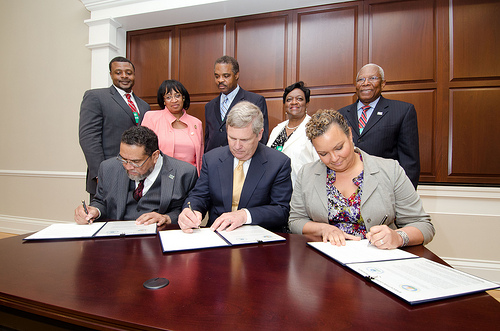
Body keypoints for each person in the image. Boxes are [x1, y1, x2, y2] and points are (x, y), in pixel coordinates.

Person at [288, 109, 434, 249]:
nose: (334, 158)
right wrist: (323, 229)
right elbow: (295, 221)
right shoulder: (307, 174)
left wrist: (398, 237)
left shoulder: (390, 170)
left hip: (378, 261)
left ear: (350, 135)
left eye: (339, 148)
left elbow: (423, 225)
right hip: (325, 261)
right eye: (323, 153)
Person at [179, 101, 292, 233]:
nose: (237, 146)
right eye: (232, 138)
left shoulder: (278, 163)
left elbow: (281, 211)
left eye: (244, 140)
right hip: (218, 236)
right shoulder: (212, 159)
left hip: (257, 239)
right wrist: (191, 210)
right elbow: (199, 196)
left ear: (259, 134)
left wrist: (245, 215)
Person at [74, 126, 198, 226]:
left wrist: (165, 218)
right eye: (123, 159)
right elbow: (101, 201)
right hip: (117, 241)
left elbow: (187, 211)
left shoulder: (184, 173)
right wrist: (95, 211)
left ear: (155, 156)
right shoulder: (108, 168)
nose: (128, 167)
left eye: (136, 162)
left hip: (159, 242)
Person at [79, 56, 151, 200]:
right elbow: (88, 138)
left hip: (138, 177)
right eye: (118, 72)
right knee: (106, 219)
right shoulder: (96, 97)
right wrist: (101, 174)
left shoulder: (144, 106)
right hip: (109, 174)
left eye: (128, 73)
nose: (124, 76)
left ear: (134, 75)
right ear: (111, 74)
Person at [338, 63, 420, 188]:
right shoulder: (341, 114)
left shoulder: (402, 111)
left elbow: (409, 161)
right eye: (361, 79)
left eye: (373, 78)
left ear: (383, 84)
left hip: (384, 187)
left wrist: (405, 194)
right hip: (347, 187)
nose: (366, 83)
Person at [204, 55, 269, 152]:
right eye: (217, 76)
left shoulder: (255, 101)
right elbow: (208, 139)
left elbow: (261, 138)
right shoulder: (209, 106)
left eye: (226, 76)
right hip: (215, 162)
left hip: (242, 160)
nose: (220, 80)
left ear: (236, 75)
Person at [142, 80, 203, 174]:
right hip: (161, 176)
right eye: (168, 97)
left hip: (190, 177)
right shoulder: (151, 118)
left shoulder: (196, 123)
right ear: (164, 101)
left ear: (183, 98)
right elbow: (143, 149)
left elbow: (200, 158)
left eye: (177, 95)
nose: (174, 100)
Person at [267, 81, 318, 185]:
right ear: (285, 104)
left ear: (307, 103)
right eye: (289, 100)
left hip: (302, 188)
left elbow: (320, 163)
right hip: (275, 188)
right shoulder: (277, 129)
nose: (294, 102)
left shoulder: (315, 128)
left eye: (299, 99)